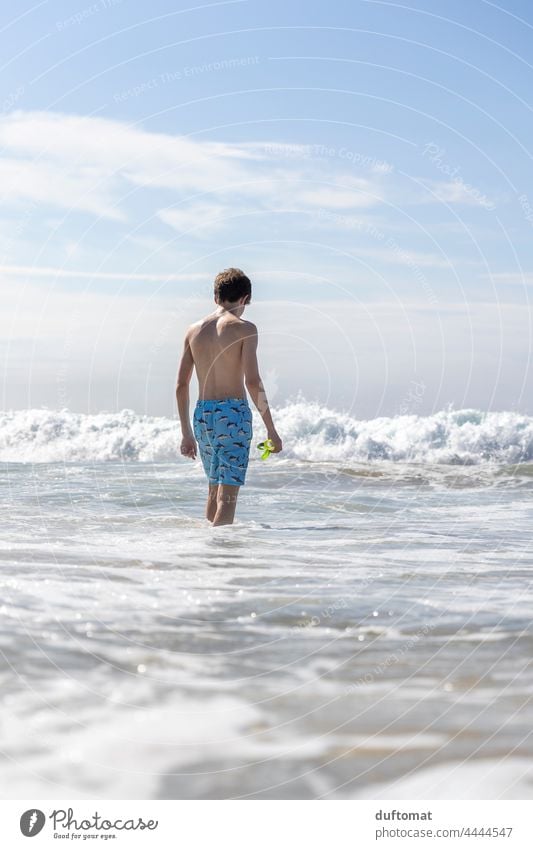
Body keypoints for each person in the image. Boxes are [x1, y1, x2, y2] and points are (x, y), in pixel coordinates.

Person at [176, 267, 282, 526]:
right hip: (231, 413)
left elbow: (181, 384)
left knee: (213, 491)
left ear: (216, 297)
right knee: (228, 497)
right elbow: (253, 381)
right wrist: (271, 430)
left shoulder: (193, 330)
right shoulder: (244, 329)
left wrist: (186, 432)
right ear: (245, 299)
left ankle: (210, 553)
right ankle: (221, 560)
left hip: (202, 415)